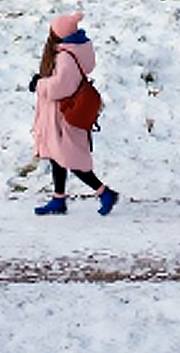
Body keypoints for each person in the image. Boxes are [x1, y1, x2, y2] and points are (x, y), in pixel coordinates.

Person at [29, 11, 120, 216]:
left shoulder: (65, 57)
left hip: (63, 115)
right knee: (56, 155)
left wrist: (39, 84)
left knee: (69, 158)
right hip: (61, 113)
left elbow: (61, 87)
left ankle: (105, 192)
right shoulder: (72, 51)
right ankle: (58, 199)